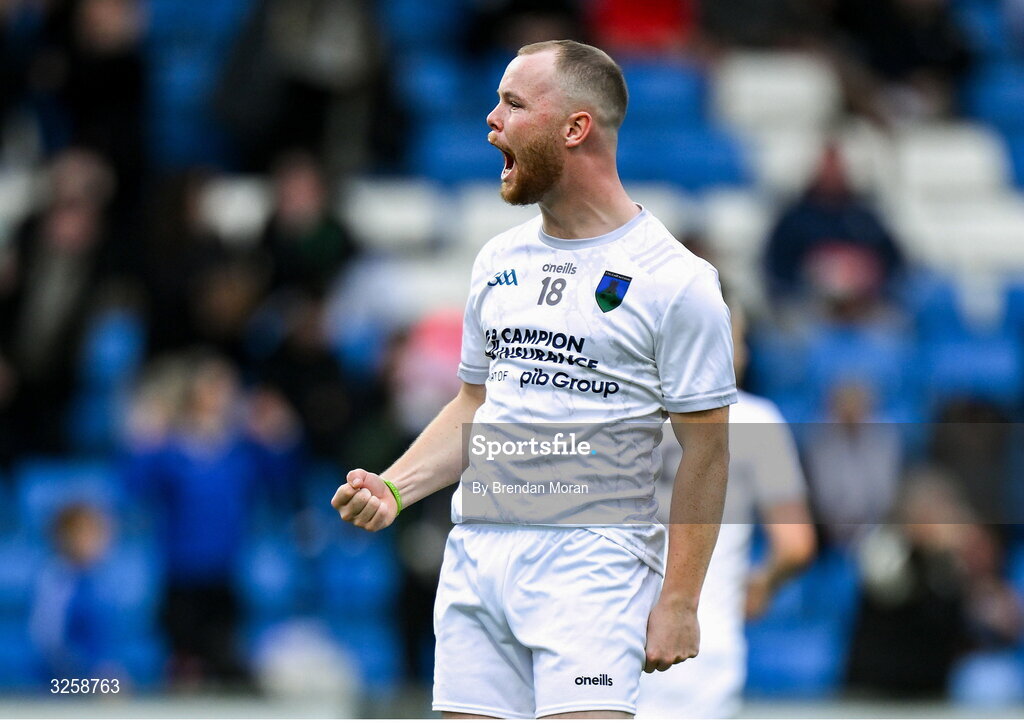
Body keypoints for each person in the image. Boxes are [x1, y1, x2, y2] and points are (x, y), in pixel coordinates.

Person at [333, 40, 737, 718]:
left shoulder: (679, 282)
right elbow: (475, 403)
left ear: (576, 128)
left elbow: (708, 451)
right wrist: (396, 486)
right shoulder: (498, 259)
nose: (491, 120)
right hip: (478, 557)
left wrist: (680, 599)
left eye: (513, 104)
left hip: (592, 569)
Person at [639, 302, 817, 718]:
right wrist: (762, 584)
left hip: (606, 637)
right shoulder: (756, 420)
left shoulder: (617, 414)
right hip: (698, 643)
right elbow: (796, 545)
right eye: (737, 340)